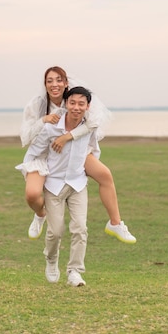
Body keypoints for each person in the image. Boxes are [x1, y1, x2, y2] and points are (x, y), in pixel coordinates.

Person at [16, 66, 136, 244]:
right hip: (43, 155)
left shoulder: (73, 99)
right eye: (50, 81)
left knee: (105, 175)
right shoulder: (38, 104)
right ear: (45, 85)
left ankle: (115, 223)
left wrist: (67, 137)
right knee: (32, 194)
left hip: (72, 151)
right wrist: (43, 120)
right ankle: (40, 215)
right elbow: (25, 137)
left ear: (66, 83)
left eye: (59, 80)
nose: (54, 84)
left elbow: (94, 121)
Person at [19, 86, 99, 286]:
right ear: (66, 104)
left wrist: (86, 170)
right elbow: (34, 151)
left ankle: (74, 271)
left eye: (81, 104)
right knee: (56, 231)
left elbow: (94, 150)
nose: (76, 107)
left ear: (87, 106)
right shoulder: (51, 128)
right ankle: (51, 259)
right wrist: (32, 173)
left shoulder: (89, 126)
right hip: (54, 185)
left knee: (80, 228)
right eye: (72, 103)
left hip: (78, 184)